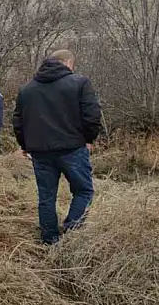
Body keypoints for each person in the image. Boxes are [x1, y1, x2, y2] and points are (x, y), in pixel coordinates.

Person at [13, 50, 102, 245]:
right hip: (73, 148)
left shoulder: (27, 89)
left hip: (40, 152)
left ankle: (49, 239)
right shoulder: (80, 83)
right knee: (84, 191)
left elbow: (18, 121)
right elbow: (92, 116)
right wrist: (89, 139)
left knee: (46, 197)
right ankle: (72, 231)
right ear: (68, 63)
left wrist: (25, 145)